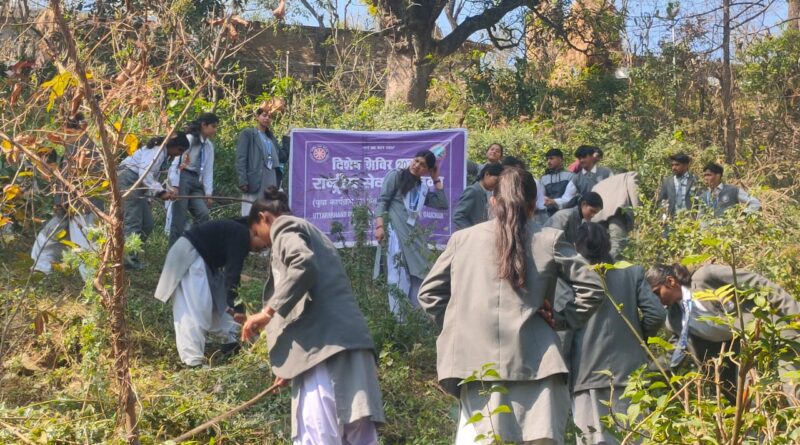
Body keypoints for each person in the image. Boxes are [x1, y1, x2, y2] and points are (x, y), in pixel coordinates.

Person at [418, 168, 605, 444]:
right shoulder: (548, 238)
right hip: (539, 367)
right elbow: (593, 287)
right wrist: (563, 319)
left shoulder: (462, 240)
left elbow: (429, 294)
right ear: (533, 204)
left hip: (476, 368)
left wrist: (462, 324)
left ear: (493, 202)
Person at [241, 187, 385, 444]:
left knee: (318, 435)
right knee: (359, 434)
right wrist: (293, 364)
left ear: (264, 218)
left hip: (325, 351)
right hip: (348, 345)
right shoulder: (313, 232)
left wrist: (266, 312)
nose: (261, 241)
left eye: (255, 232)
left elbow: (302, 264)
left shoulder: (284, 227)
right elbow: (310, 298)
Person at [645, 263, 799, 405]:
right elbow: (677, 349)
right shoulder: (674, 319)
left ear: (670, 281)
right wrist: (648, 371)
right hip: (746, 351)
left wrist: (794, 312)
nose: (656, 300)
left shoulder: (707, 277)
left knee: (793, 388)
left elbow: (760, 284)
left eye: (657, 293)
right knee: (749, 401)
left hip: (776, 329)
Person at [570, 223, 666, 445]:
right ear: (608, 244)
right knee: (634, 438)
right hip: (630, 375)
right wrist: (637, 340)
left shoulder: (573, 278)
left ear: (577, 247)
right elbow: (656, 314)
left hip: (588, 376)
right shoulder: (632, 273)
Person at [154, 216, 258, 367]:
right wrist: (237, 308)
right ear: (258, 228)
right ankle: (192, 362)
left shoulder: (241, 228)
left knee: (219, 303)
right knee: (193, 310)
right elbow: (232, 275)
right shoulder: (242, 234)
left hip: (206, 261)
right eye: (265, 243)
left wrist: (234, 306)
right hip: (190, 255)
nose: (264, 248)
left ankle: (231, 343)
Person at [374, 150, 448, 315]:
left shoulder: (422, 186)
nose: (417, 166)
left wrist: (436, 179)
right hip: (396, 233)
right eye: (416, 161)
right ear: (411, 160)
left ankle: (417, 319)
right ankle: (398, 320)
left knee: (421, 276)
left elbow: (442, 203)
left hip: (413, 236)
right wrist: (379, 227)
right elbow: (382, 201)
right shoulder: (396, 176)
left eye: (423, 165)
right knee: (398, 275)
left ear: (427, 170)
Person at [30, 113, 102, 280]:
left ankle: (94, 285)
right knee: (49, 238)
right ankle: (39, 272)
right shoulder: (75, 146)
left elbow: (76, 181)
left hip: (81, 209)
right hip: (72, 208)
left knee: (85, 247)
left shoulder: (82, 147)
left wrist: (62, 203)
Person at [118, 133, 189, 269]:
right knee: (133, 222)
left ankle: (130, 253)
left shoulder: (163, 155)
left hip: (140, 185)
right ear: (172, 145)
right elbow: (145, 174)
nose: (178, 155)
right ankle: (127, 259)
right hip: (128, 180)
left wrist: (153, 196)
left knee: (148, 224)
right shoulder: (156, 151)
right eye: (179, 150)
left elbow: (151, 178)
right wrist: (161, 192)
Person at [167, 113, 219, 245]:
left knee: (203, 213)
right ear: (204, 125)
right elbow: (176, 163)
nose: (215, 130)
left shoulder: (208, 146)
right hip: (183, 177)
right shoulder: (189, 139)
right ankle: (174, 251)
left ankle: (194, 245)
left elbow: (208, 170)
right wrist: (175, 185)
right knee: (179, 217)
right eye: (213, 126)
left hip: (196, 181)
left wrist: (208, 193)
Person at [236, 100, 283, 216]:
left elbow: (281, 156)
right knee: (251, 209)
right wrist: (243, 180)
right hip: (256, 176)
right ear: (257, 117)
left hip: (270, 175)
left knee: (268, 208)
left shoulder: (271, 138)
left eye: (270, 117)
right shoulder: (248, 134)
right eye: (264, 115)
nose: (267, 118)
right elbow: (241, 158)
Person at [453, 163, 503, 230]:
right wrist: (473, 231)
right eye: (496, 180)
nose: (497, 185)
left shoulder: (483, 192)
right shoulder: (473, 190)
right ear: (487, 174)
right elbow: (458, 216)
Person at [656, 153, 697, 218]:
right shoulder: (667, 181)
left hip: (691, 220)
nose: (674, 168)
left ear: (686, 165)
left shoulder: (695, 181)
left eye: (677, 165)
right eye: (672, 165)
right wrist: (663, 215)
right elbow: (661, 200)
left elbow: (702, 201)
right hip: (672, 220)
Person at [540, 148, 577, 216]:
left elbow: (570, 198)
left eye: (551, 158)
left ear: (560, 159)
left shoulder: (570, 176)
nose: (548, 161)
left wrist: (553, 201)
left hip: (568, 214)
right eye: (547, 159)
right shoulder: (544, 178)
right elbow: (542, 197)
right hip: (549, 215)